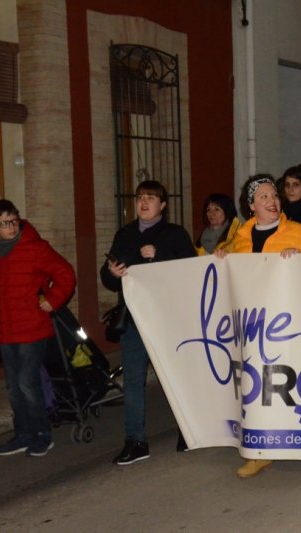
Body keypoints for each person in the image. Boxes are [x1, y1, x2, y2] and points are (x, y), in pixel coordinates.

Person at [220, 174, 301, 478]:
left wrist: (300, 259)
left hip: (291, 322)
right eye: (263, 196)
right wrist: (220, 258)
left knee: (295, 383)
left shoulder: (298, 232)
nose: (272, 200)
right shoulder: (239, 239)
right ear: (251, 206)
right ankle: (261, 451)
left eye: (274, 194)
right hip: (254, 327)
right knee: (260, 386)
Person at [101, 181, 196, 465]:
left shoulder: (175, 235)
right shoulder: (125, 234)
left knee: (176, 377)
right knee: (132, 380)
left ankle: (188, 431)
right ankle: (136, 441)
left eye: (151, 198)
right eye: (141, 197)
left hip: (167, 317)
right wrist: (112, 273)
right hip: (134, 317)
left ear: (162, 205)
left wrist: (160, 256)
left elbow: (191, 271)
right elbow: (108, 277)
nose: (144, 202)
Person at [0, 200, 76, 457]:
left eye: (13, 221)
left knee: (27, 382)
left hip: (32, 327)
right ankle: (23, 434)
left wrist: (52, 300)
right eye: (3, 224)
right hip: (5, 329)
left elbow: (65, 273)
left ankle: (42, 433)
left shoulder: (35, 247)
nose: (10, 228)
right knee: (13, 384)